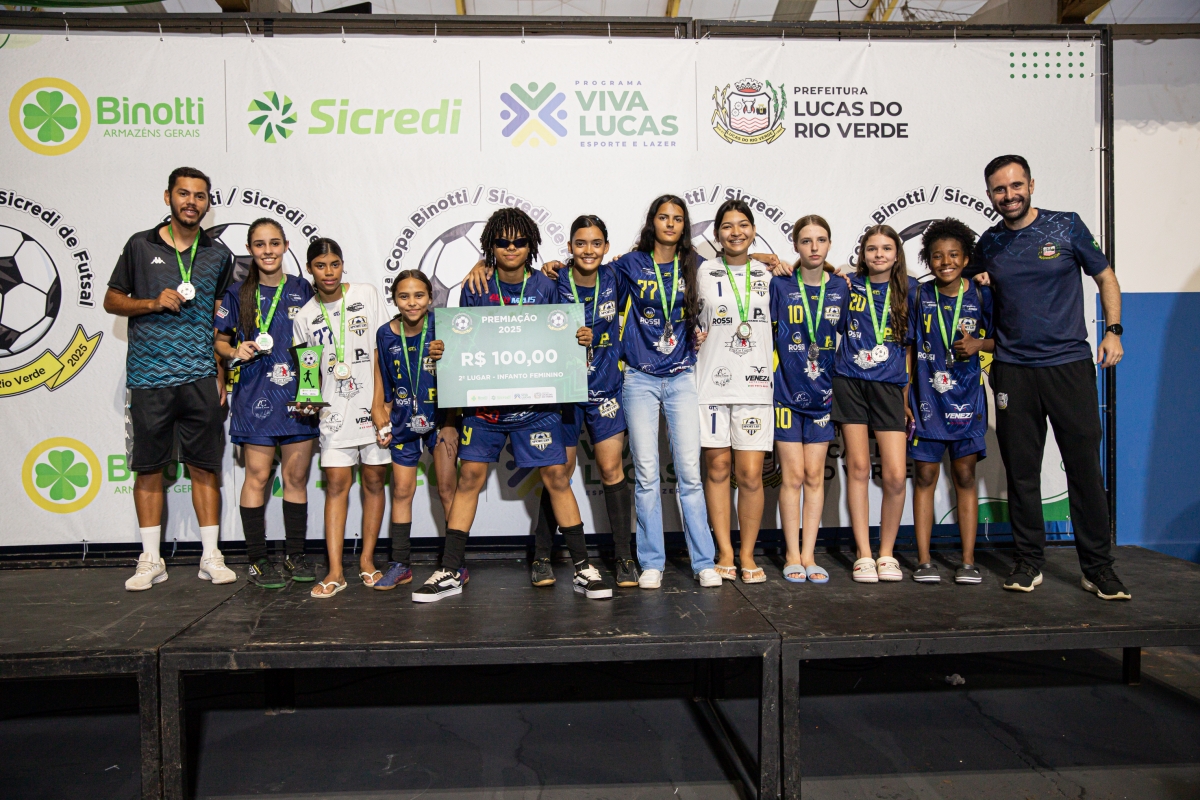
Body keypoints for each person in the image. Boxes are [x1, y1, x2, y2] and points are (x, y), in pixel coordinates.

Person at [412, 207, 611, 603]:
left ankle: (582, 568)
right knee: (469, 479)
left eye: (519, 241)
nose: (511, 247)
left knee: (557, 477)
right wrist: (442, 351)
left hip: (536, 407)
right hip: (485, 406)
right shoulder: (476, 285)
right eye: (502, 241)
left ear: (531, 244)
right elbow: (462, 340)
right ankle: (450, 569)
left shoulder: (546, 284)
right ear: (490, 245)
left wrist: (581, 339)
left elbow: (563, 333)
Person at [972, 154, 1129, 600]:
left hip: (1068, 367)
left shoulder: (1066, 225)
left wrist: (1114, 331)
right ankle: (1028, 562)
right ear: (990, 195)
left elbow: (1105, 277)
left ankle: (1098, 569)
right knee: (1022, 473)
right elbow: (954, 280)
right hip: (1012, 371)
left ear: (1031, 185)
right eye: (1000, 189)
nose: (1009, 195)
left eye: (1016, 185)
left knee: (1084, 471)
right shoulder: (989, 243)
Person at [105, 166, 237, 591]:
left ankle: (211, 556)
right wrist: (151, 302)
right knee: (148, 470)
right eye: (184, 194)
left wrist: (219, 371)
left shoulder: (218, 255)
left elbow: (218, 318)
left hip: (199, 376)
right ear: (168, 197)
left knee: (205, 467)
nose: (191, 202)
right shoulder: (140, 245)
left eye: (199, 196)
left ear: (208, 204)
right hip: (149, 377)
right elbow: (111, 300)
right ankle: (150, 559)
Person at [530, 216, 637, 588]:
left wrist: (762, 258)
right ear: (569, 247)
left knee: (611, 469)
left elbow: (667, 257)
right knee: (559, 472)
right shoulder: (553, 281)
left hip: (605, 389)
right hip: (564, 391)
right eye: (580, 243)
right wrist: (482, 265)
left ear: (606, 247)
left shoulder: (617, 276)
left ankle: (624, 557)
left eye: (595, 243)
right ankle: (542, 556)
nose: (588, 250)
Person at [214, 218, 318, 588]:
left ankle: (295, 555)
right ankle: (258, 561)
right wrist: (233, 351)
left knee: (296, 478)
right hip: (254, 395)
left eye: (274, 243)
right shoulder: (237, 293)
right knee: (257, 476)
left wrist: (310, 391)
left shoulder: (303, 288)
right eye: (260, 244)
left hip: (297, 396)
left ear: (286, 246)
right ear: (250, 249)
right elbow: (220, 342)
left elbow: (314, 343)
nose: (268, 251)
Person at [291, 238, 391, 598]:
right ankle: (335, 570)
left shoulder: (366, 294)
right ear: (310, 269)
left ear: (342, 264)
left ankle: (367, 560)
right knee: (336, 485)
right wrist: (307, 401)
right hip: (334, 414)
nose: (329, 272)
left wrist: (380, 404)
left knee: (375, 482)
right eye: (321, 266)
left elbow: (382, 352)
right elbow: (308, 376)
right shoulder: (304, 316)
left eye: (334, 264)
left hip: (373, 408)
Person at [906, 218, 993, 586]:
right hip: (927, 399)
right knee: (925, 476)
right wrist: (904, 396)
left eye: (954, 255)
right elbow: (909, 347)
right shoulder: (918, 295)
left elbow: (1004, 339)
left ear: (966, 258)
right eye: (938, 256)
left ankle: (968, 561)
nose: (946, 262)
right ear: (928, 260)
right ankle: (924, 560)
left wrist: (979, 344)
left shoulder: (982, 294)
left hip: (967, 399)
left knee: (965, 475)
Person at [695, 200, 775, 583]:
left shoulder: (770, 273)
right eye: (727, 226)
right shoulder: (702, 271)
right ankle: (724, 550)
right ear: (716, 234)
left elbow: (815, 274)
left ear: (754, 231)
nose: (736, 232)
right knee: (717, 469)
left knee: (751, 475)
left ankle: (747, 554)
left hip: (756, 387)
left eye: (743, 225)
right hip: (711, 384)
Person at [832, 225, 918, 583]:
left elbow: (910, 349)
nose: (879, 254)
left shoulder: (911, 289)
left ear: (896, 254)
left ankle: (887, 553)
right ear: (862, 254)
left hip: (889, 387)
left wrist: (906, 396)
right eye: (871, 248)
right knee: (858, 468)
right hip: (849, 381)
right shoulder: (847, 285)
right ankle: (864, 554)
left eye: (886, 248)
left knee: (895, 475)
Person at [770, 215, 848, 584]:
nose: (814, 247)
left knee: (815, 476)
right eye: (806, 240)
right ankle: (791, 554)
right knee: (793, 476)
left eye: (820, 240)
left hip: (824, 397)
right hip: (786, 393)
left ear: (829, 244)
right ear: (795, 245)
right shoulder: (780, 284)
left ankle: (809, 554)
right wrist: (767, 260)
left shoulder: (842, 288)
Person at [370, 270, 458, 591]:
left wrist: (452, 422)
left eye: (419, 295)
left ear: (430, 298)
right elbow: (383, 379)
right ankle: (400, 564)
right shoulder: (385, 333)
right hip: (403, 421)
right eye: (404, 296)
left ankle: (455, 564)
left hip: (441, 420)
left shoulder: (443, 327)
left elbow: (461, 373)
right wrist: (380, 411)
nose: (412, 303)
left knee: (447, 490)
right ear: (394, 299)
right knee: (402, 492)